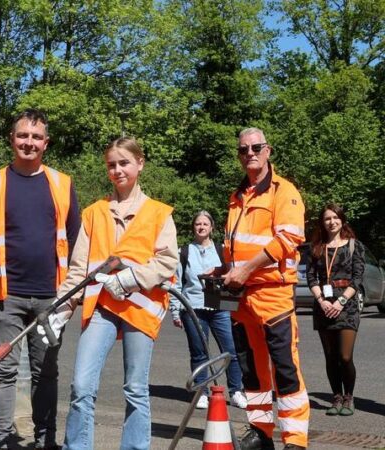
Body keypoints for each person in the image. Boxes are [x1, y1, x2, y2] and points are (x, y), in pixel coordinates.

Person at [40, 137, 178, 450]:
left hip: (140, 309)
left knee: (135, 388)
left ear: (140, 164)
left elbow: (167, 261)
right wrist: (61, 308)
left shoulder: (158, 213)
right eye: (111, 165)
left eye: (124, 163)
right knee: (82, 386)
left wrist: (130, 278)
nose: (117, 170)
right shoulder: (94, 213)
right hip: (101, 306)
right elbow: (79, 270)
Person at [0, 108, 80, 449]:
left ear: (46, 143)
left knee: (47, 372)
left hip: (51, 296)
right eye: (22, 136)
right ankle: (2, 442)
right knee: (4, 372)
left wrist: (67, 296)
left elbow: (75, 239)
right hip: (6, 296)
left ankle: (45, 441)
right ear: (11, 139)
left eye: (35, 137)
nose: (28, 142)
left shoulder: (62, 184)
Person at [223, 127, 309, 450]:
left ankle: (295, 439)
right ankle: (260, 433)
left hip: (273, 296)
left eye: (255, 147)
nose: (249, 153)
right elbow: (235, 245)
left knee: (285, 370)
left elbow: (288, 239)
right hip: (242, 298)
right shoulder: (237, 196)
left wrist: (244, 269)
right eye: (243, 149)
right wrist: (223, 269)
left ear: (268, 150)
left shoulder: (283, 192)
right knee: (252, 372)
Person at [171, 210, 246, 410]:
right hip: (193, 308)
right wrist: (175, 310)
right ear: (193, 228)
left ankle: (236, 390)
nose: (201, 227)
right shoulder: (184, 252)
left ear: (212, 227)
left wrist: (235, 309)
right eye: (198, 224)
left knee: (230, 350)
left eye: (205, 224)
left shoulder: (223, 250)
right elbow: (177, 283)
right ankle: (201, 391)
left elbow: (233, 279)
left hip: (220, 307)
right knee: (198, 353)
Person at [306, 204, 364, 416]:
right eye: (327, 218)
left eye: (335, 218)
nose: (332, 222)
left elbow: (358, 278)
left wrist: (340, 302)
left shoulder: (354, 246)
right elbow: (311, 277)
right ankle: (336, 397)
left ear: (342, 220)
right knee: (330, 357)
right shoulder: (316, 248)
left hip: (346, 306)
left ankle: (349, 397)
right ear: (322, 222)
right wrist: (321, 300)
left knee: (345, 356)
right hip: (323, 305)